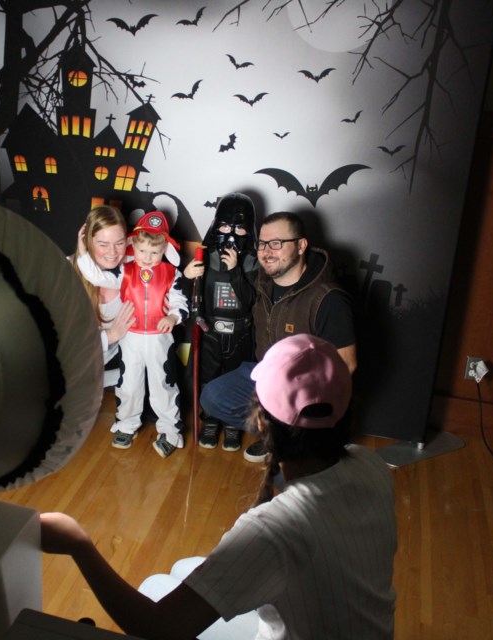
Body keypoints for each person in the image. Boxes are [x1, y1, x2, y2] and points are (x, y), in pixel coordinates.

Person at [40, 334, 397, 639]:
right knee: (183, 569)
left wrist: (79, 545)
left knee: (154, 589)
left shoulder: (275, 530)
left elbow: (156, 626)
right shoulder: (371, 465)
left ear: (261, 422)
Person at [199, 211, 357, 462]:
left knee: (298, 475)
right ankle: (278, 436)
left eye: (276, 243)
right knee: (212, 396)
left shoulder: (328, 298)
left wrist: (303, 402)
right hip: (265, 374)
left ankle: (298, 442)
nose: (266, 251)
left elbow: (346, 364)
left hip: (306, 393)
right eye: (262, 243)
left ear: (301, 245)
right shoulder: (263, 282)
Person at [75, 211, 189, 457]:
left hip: (160, 339)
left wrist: (173, 317)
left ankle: (170, 430)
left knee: (163, 384)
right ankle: (127, 424)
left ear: (165, 250)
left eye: (155, 252)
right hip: (131, 338)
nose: (147, 258)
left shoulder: (172, 274)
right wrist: (83, 253)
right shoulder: (124, 272)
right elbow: (96, 276)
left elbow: (181, 301)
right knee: (129, 384)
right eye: (142, 250)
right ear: (133, 246)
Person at [182, 193, 258, 451]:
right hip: (211, 332)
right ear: (216, 226)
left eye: (239, 228)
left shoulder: (252, 262)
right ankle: (211, 420)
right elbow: (187, 300)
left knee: (235, 380)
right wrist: (187, 276)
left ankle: (234, 424)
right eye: (225, 226)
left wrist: (236, 271)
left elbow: (251, 300)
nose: (231, 234)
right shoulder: (205, 258)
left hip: (240, 334)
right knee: (209, 378)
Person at [71, 205, 136, 389]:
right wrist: (111, 335)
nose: (113, 252)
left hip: (107, 365)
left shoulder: (133, 269)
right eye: (103, 244)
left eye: (119, 243)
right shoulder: (67, 274)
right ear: (87, 241)